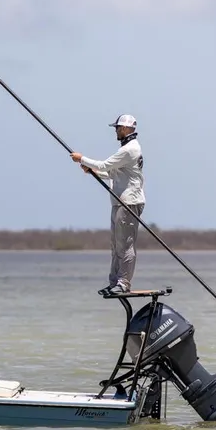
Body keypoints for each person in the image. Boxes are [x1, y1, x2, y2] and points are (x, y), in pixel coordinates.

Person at [70, 113, 145, 295]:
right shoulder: (127, 149)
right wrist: (92, 171)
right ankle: (114, 282)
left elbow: (104, 165)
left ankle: (123, 283)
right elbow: (113, 173)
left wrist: (82, 158)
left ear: (127, 129)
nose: (116, 131)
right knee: (116, 244)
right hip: (119, 202)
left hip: (129, 202)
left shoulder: (129, 149)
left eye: (118, 128)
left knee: (126, 245)